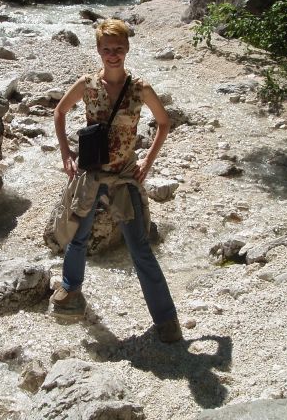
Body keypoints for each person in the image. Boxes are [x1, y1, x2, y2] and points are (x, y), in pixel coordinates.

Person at [51, 18, 182, 343]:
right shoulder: (86, 85)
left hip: (124, 176)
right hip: (92, 173)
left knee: (140, 247)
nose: (113, 55)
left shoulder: (140, 88)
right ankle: (70, 291)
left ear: (127, 49)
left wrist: (148, 162)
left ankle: (166, 320)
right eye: (107, 49)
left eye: (119, 48)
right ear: (98, 50)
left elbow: (164, 123)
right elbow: (59, 112)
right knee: (78, 237)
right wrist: (66, 154)